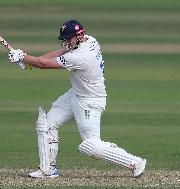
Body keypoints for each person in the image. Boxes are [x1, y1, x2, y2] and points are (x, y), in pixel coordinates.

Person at [8, 20, 146, 178]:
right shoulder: (89, 39)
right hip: (75, 95)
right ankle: (48, 169)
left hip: (90, 102)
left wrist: (24, 57)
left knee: (91, 146)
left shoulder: (81, 56)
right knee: (46, 123)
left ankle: (135, 162)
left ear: (77, 36)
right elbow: (59, 54)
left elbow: (44, 64)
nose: (66, 42)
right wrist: (28, 61)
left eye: (68, 38)